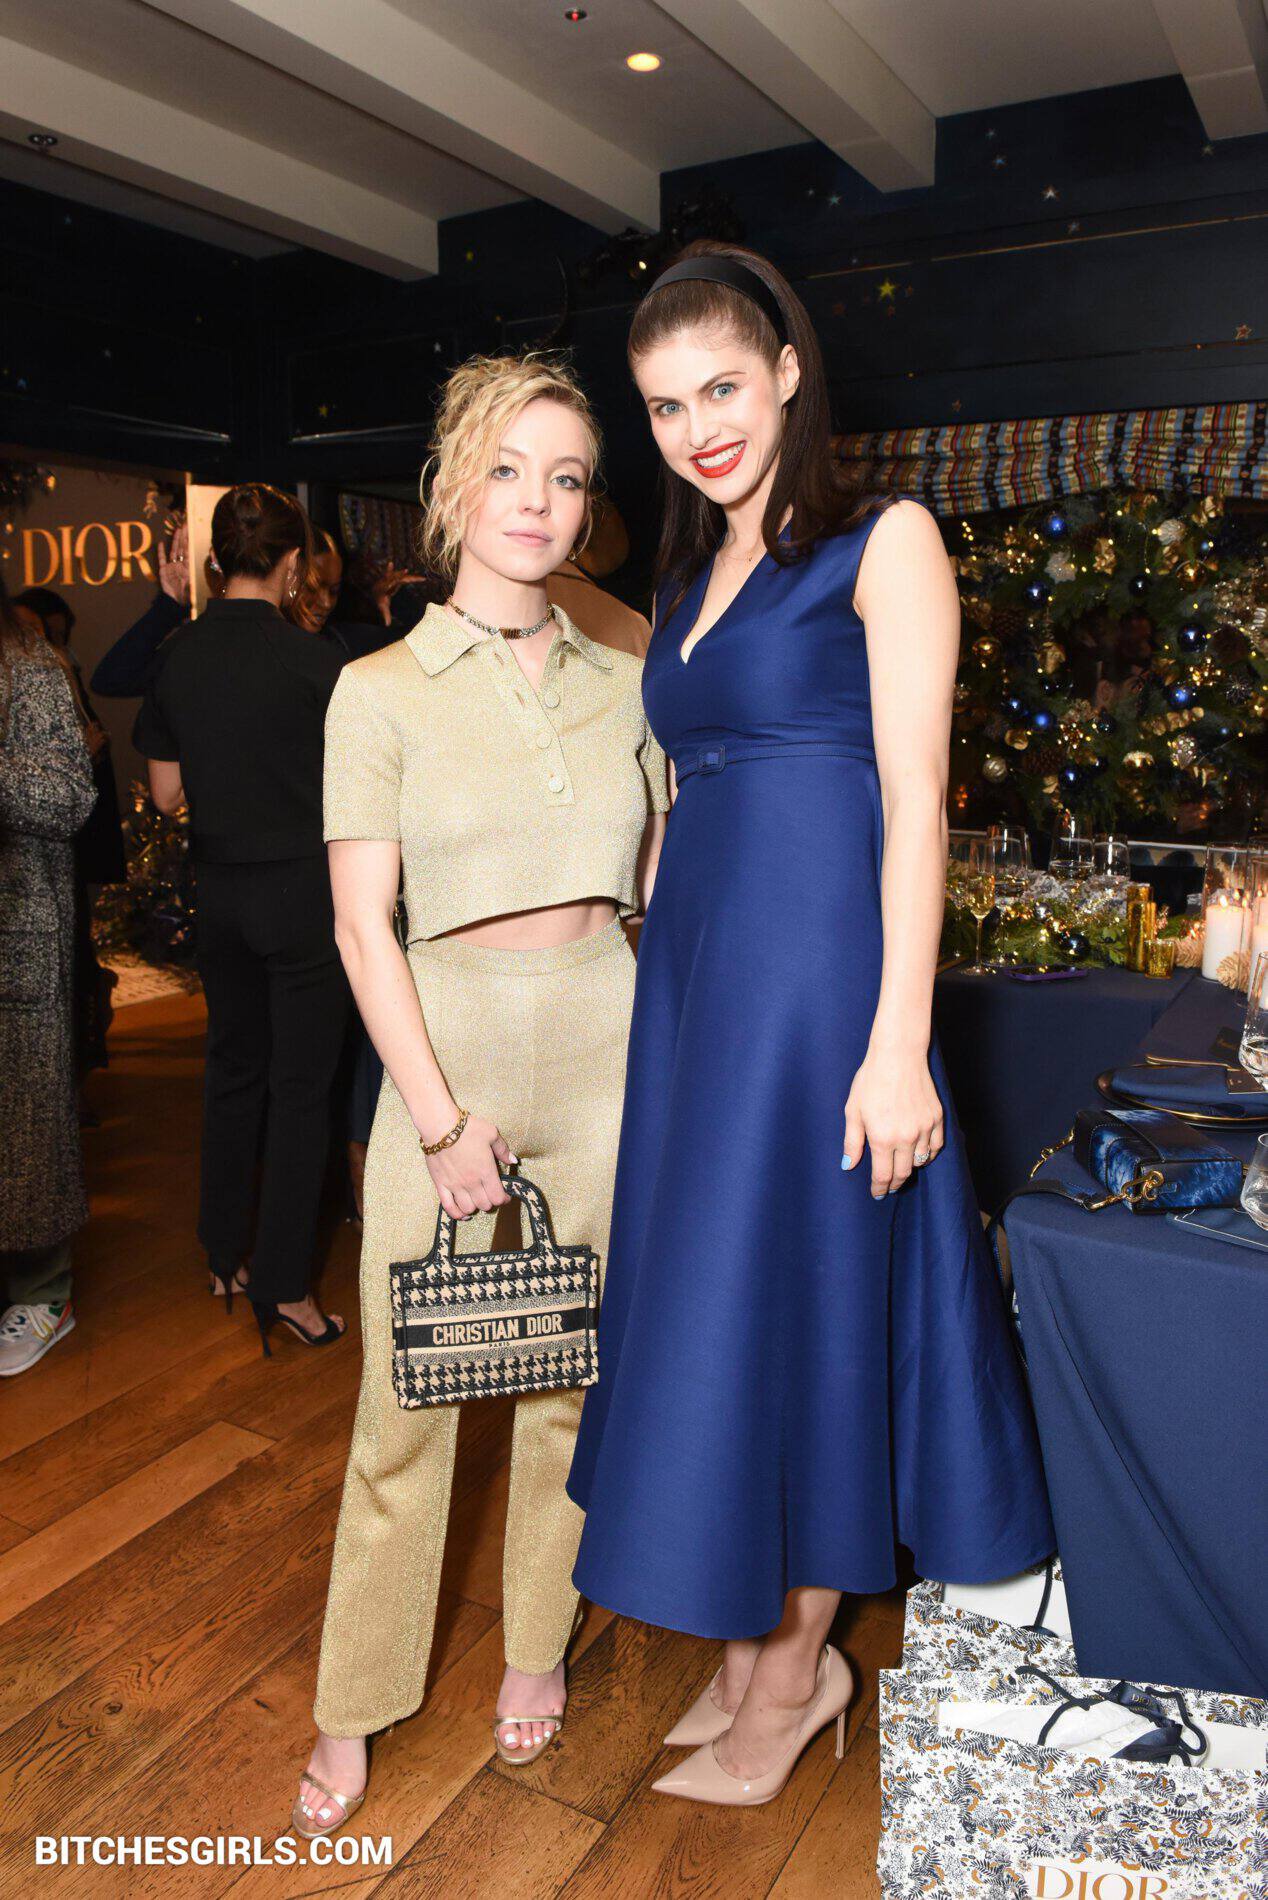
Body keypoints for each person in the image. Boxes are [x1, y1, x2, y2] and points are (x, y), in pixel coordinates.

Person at [566, 243, 1055, 1806]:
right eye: (665, 407)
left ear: (787, 370)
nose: (698, 428)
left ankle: (793, 1672)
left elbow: (916, 799)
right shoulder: (683, 578)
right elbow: (684, 796)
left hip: (821, 990)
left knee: (808, 1307)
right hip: (701, 994)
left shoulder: (883, 539)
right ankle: (756, 1651)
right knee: (724, 1307)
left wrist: (899, 1041)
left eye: (722, 386)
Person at [293, 351, 668, 1839]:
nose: (538, 502)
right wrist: (442, 1121)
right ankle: (353, 1698)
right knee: (407, 1395)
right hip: (444, 1049)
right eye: (508, 469)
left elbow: (661, 894)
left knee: (574, 1381)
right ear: (452, 485)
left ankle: (533, 1645)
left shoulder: (629, 685)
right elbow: (357, 928)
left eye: (567, 477)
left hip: (608, 1041)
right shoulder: (375, 691)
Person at [132, 484, 350, 1350]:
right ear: (292, 562)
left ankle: (225, 1256)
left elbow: (164, 794)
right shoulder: (318, 663)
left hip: (220, 890)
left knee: (231, 1071)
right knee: (301, 1091)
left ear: (216, 561)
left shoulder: (176, 656)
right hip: (303, 894)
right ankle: (288, 1288)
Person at [0, 577, 97, 1375]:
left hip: (17, 939)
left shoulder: (29, 669)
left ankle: (43, 1293)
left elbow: (70, 794)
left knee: (26, 1130)